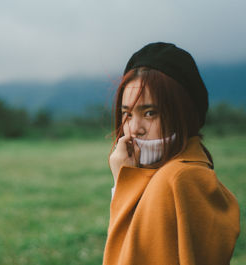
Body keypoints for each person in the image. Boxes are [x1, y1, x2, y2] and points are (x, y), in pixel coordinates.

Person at [102, 42, 240, 265]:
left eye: (149, 113)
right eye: (126, 114)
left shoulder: (174, 179)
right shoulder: (189, 171)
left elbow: (125, 258)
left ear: (183, 114)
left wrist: (122, 182)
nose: (134, 128)